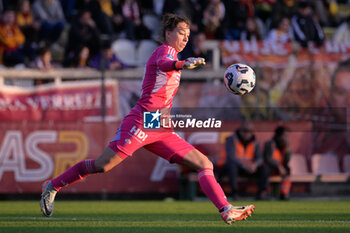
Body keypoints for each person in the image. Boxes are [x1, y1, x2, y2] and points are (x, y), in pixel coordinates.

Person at [40, 13, 254, 224]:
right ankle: (53, 186)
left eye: (188, 34)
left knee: (203, 163)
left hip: (160, 126)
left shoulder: (174, 56)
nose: (186, 38)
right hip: (142, 121)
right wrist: (183, 65)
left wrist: (182, 64)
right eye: (182, 32)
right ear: (168, 33)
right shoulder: (164, 51)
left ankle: (226, 209)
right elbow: (165, 64)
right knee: (103, 165)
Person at [224, 121, 266, 200]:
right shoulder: (232, 140)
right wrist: (244, 166)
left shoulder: (255, 142)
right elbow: (231, 157)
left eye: (249, 131)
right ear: (240, 131)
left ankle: (261, 193)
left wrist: (255, 165)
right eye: (245, 131)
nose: (247, 133)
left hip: (251, 168)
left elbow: (260, 157)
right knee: (231, 166)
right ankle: (235, 192)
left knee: (264, 168)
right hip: (238, 167)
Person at [263, 126, 291, 200]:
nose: (286, 138)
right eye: (285, 136)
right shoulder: (270, 144)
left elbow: (286, 161)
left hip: (279, 168)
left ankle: (284, 194)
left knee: (287, 169)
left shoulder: (284, 146)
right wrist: (278, 166)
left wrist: (288, 151)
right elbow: (268, 159)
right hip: (270, 167)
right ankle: (263, 193)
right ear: (279, 136)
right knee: (265, 169)